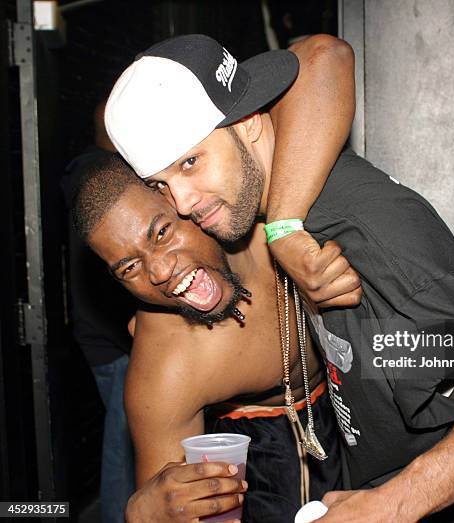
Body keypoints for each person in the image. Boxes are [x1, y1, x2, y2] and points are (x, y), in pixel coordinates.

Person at [105, 34, 454, 522]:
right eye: (162, 184)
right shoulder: (288, 212)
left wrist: (391, 505)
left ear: (246, 123)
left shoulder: (362, 223)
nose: (183, 203)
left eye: (190, 163)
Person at [73, 153, 343, 522]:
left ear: (182, 201)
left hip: (358, 424)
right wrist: (147, 514)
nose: (160, 271)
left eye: (161, 233)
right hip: (259, 466)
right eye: (130, 268)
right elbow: (171, 502)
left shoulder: (288, 226)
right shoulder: (166, 366)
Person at [61, 101, 136, 523]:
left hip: (108, 337)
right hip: (113, 340)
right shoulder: (99, 179)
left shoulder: (91, 174)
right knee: (123, 447)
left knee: (125, 440)